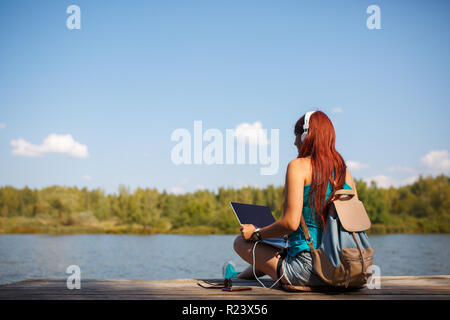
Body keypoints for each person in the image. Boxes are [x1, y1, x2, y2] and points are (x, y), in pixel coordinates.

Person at [232, 110, 359, 288]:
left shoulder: (298, 166)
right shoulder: (345, 172)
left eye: (297, 136)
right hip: (346, 269)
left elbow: (290, 223)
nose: (294, 142)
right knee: (282, 247)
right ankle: (241, 275)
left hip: (308, 269)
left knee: (240, 242)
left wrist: (256, 234)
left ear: (307, 136)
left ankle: (240, 274)